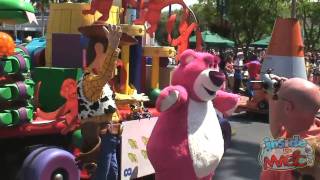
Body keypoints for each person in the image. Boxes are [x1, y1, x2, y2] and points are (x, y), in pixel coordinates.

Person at [76, 24, 122, 180]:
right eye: (107, 53)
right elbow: (105, 75)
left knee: (112, 174)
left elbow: (107, 101)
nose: (115, 62)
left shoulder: (97, 81)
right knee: (102, 175)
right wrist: (113, 49)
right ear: (98, 50)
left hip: (111, 136)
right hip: (101, 136)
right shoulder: (89, 80)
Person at [260, 77, 320, 180]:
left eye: (276, 98)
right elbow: (278, 132)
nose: (275, 99)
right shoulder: (309, 130)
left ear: (288, 107)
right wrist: (275, 95)